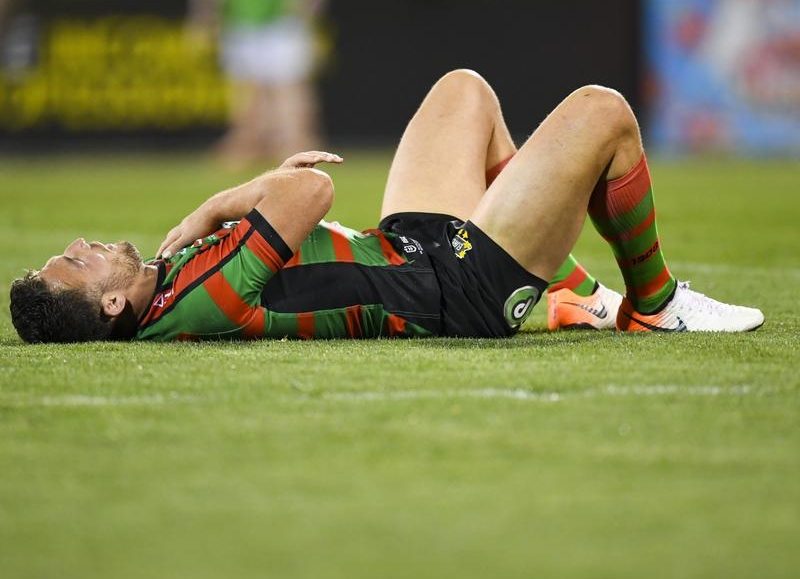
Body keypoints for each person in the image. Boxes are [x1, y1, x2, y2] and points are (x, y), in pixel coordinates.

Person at [9, 69, 764, 343]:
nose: (83, 242)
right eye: (75, 262)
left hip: (407, 251)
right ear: (112, 304)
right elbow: (311, 189)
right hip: (455, 291)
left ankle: (572, 294)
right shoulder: (194, 296)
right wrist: (212, 209)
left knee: (464, 92)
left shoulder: (168, 279)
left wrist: (237, 209)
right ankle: (655, 305)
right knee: (605, 113)